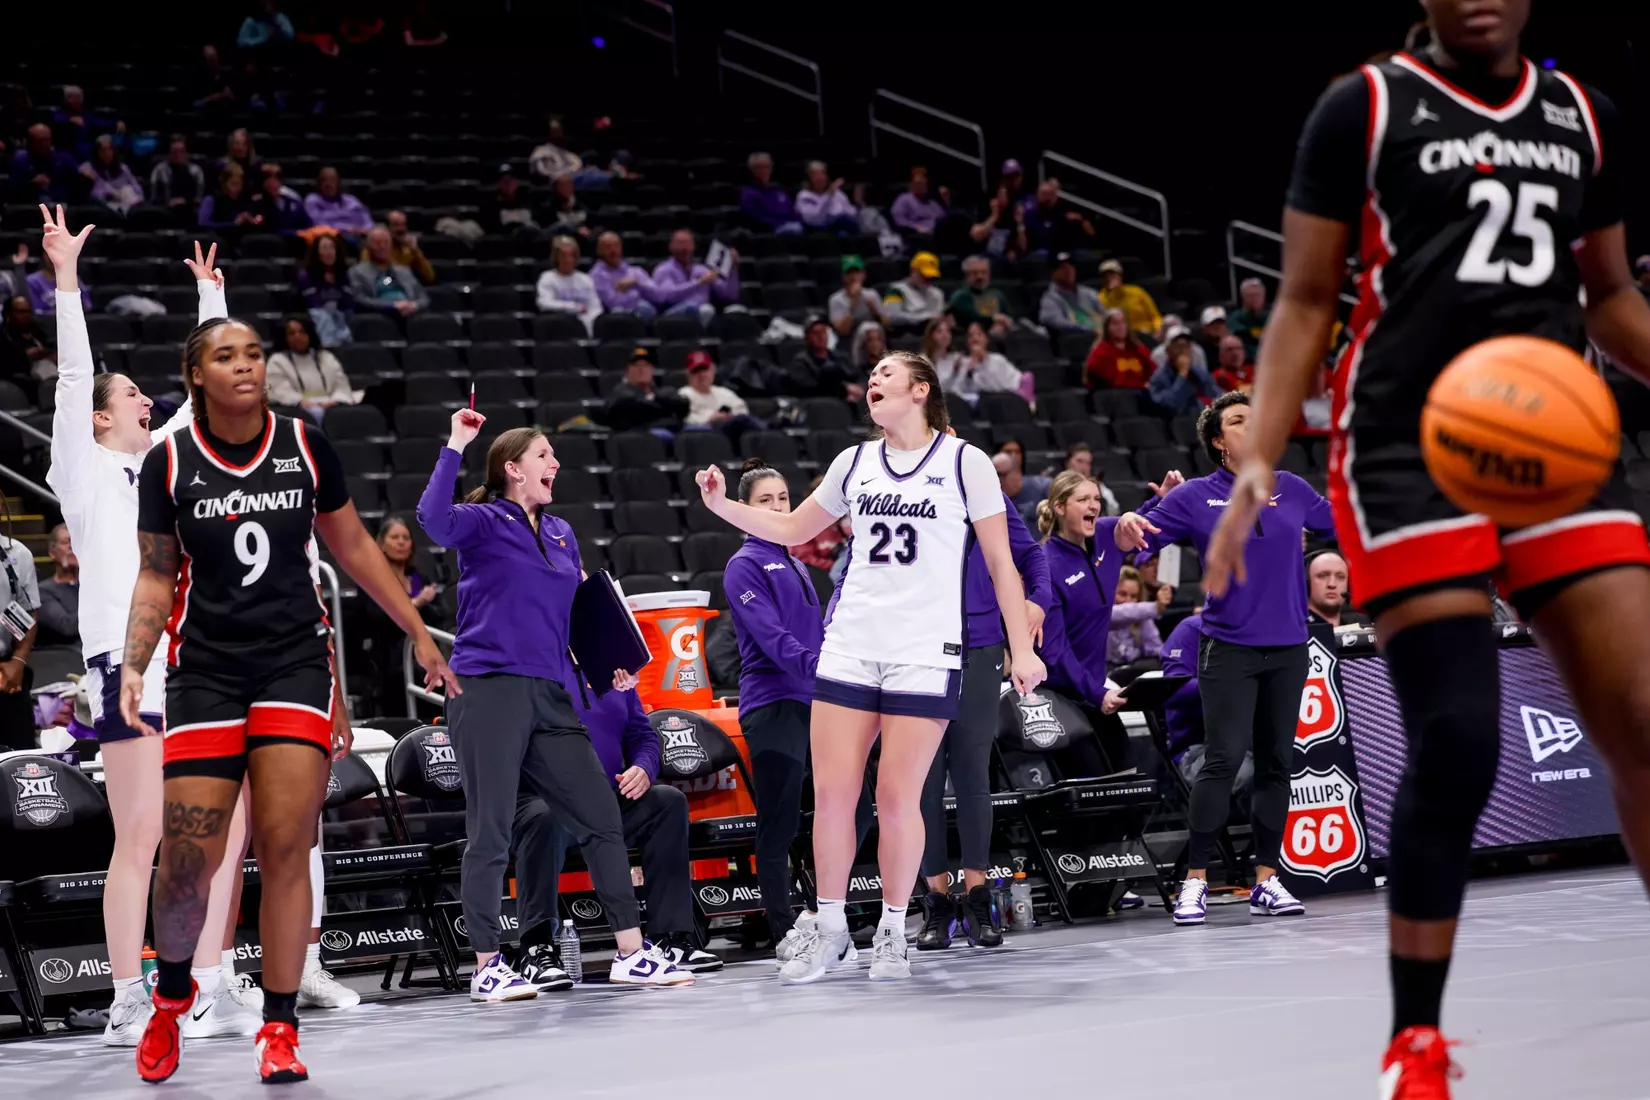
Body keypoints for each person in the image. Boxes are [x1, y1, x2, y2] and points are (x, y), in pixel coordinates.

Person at [1202, 11, 1650, 1088]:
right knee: (1456, 738)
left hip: (1554, 435)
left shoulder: (1581, 112)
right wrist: (1260, 450)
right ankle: (1417, 1042)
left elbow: (1611, 294)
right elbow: (1307, 297)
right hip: (1409, 443)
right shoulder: (1363, 105)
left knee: (1641, 717)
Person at [120, 260, 458, 1083]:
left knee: (283, 844)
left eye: (254, 351)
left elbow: (352, 549)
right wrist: (134, 665)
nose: (246, 363)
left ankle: (279, 1027)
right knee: (191, 861)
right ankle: (169, 998)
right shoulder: (170, 464)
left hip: (293, 664)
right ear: (196, 375)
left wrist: (416, 628)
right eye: (227, 354)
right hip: (204, 671)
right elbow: (158, 574)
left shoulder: (306, 443)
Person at [694, 351, 1045, 984]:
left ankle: (892, 929)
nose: (873, 381)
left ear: (920, 389)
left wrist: (1022, 648)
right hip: (851, 644)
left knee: (897, 795)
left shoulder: (965, 464)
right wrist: (722, 506)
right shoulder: (852, 463)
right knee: (832, 793)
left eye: (887, 373)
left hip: (924, 651)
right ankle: (831, 932)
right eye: (872, 376)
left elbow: (1001, 563)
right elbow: (796, 525)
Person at [418, 413, 694, 1001]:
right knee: (491, 830)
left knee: (600, 817)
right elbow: (432, 519)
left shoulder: (564, 533)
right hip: (486, 687)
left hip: (551, 691)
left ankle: (630, 951)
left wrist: (605, 666)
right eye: (546, 456)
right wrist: (456, 445)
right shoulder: (485, 522)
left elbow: (572, 619)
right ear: (514, 469)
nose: (557, 465)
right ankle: (488, 964)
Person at [1116, 391, 1333, 933]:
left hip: (1287, 647)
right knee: (1222, 761)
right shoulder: (1195, 496)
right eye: (1239, 420)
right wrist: (1150, 508)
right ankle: (1195, 881)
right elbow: (1137, 548)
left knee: (1278, 764)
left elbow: (1339, 525)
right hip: (1228, 648)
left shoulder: (1293, 489)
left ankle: (1266, 878)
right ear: (1219, 440)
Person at [915, 433, 1051, 951]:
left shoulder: (982, 489)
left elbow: (1031, 558)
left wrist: (1035, 604)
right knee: (925, 778)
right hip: (918, 646)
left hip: (979, 643)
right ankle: (936, 904)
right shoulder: (897, 492)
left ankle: (978, 900)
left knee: (970, 771)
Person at [512, 665, 724, 984]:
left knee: (666, 802)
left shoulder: (614, 673)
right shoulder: (532, 668)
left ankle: (671, 938)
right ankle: (536, 948)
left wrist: (643, 768)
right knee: (545, 818)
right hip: (544, 797)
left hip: (607, 795)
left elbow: (642, 736)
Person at [723, 461, 831, 954]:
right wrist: (820, 667)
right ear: (745, 509)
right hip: (772, 704)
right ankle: (783, 927)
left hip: (817, 702)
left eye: (784, 499)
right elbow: (771, 637)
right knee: (779, 821)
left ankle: (829, 915)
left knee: (853, 811)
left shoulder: (798, 563)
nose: (778, 508)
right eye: (766, 501)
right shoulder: (743, 564)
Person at [1035, 471, 1177, 714]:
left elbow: (1138, 524)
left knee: (1121, 752)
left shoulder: (1104, 533)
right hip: (1057, 693)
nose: (1093, 506)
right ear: (1059, 507)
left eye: (1097, 499)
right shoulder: (1046, 566)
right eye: (1083, 500)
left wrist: (1164, 500)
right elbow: (1055, 649)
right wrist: (1097, 693)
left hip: (1095, 687)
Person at [266, 314, 353, 416]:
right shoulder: (277, 361)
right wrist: (300, 401)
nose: (298, 336)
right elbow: (280, 390)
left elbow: (341, 385)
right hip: (298, 408)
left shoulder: (326, 357)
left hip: (331, 403)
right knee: (316, 413)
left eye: (302, 332)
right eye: (291, 333)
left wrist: (335, 400)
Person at [650, 229, 739, 324]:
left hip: (703, 317)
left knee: (737, 310)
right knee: (696, 308)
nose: (684, 248)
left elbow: (730, 295)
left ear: (693, 246)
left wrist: (733, 270)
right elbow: (666, 296)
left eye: (687, 243)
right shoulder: (663, 269)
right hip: (672, 318)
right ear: (671, 247)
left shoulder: (702, 270)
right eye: (680, 243)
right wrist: (698, 282)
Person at [349, 226, 429, 318]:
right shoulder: (357, 272)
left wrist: (414, 306)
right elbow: (360, 299)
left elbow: (423, 297)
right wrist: (392, 306)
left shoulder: (404, 271)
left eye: (386, 242)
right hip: (379, 319)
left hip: (410, 315)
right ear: (368, 246)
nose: (382, 246)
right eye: (377, 243)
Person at [1107, 565, 1169, 680]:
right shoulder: (1102, 615)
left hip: (1132, 677)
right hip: (1104, 676)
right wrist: (1156, 607)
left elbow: (1157, 650)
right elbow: (1118, 614)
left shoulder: (1142, 617)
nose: (1128, 601)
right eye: (1122, 594)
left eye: (1134, 596)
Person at [605, 347, 688, 432]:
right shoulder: (620, 392)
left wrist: (655, 399)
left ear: (652, 370)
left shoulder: (663, 392)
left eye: (646, 365)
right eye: (636, 365)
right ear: (627, 370)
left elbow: (683, 406)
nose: (642, 369)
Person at [936, 319, 1026, 398]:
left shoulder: (998, 360)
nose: (975, 338)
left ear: (986, 339)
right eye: (971, 335)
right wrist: (965, 373)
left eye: (979, 334)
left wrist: (984, 362)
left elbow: (1005, 387)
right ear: (967, 342)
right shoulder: (963, 363)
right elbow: (954, 392)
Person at [679, 349, 756, 440]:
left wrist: (728, 416)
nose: (702, 374)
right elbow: (686, 419)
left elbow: (742, 411)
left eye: (705, 369)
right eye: (696, 371)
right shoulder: (684, 394)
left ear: (713, 370)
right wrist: (710, 419)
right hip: (706, 435)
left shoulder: (724, 392)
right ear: (688, 375)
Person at [535, 235, 603, 335]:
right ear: (556, 257)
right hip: (559, 324)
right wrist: (572, 307)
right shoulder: (547, 277)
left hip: (586, 324)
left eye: (571, 255)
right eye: (563, 255)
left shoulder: (585, 279)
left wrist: (590, 319)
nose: (567, 260)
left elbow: (596, 307)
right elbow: (544, 303)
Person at [785, 316, 864, 401]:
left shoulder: (841, 357)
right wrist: (844, 390)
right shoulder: (799, 363)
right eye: (816, 333)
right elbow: (808, 390)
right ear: (806, 337)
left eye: (824, 331)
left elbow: (857, 376)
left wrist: (860, 388)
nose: (821, 336)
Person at [1147, 327, 1221, 417]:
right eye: (1179, 346)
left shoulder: (1201, 373)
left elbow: (1217, 395)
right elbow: (1170, 406)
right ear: (1168, 351)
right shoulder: (1159, 378)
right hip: (1179, 426)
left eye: (1187, 346)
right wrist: (1182, 375)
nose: (1183, 351)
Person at [1083, 309, 1155, 391]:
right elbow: (1102, 380)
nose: (1120, 326)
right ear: (1107, 328)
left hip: (1141, 393)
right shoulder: (1101, 352)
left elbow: (1153, 371)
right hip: (1115, 396)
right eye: (1115, 323)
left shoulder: (1138, 348)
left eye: (1123, 322)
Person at [1021, 178, 1095, 256]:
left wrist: (1080, 220)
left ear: (1055, 197)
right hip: (1038, 255)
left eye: (1049, 194)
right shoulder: (1030, 215)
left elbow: (1092, 234)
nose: (1046, 198)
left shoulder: (1064, 214)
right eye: (1043, 194)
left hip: (1061, 254)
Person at [7, 124, 80, 203]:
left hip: (61, 203)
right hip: (31, 205)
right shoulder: (20, 160)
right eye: (40, 141)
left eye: (47, 139)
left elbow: (76, 185)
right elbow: (13, 189)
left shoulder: (65, 158)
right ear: (30, 143)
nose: (45, 144)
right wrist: (31, 185)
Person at [36, 523, 79, 648]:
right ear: (52, 552)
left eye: (77, 542)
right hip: (65, 659)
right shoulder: (43, 591)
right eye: (66, 542)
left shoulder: (95, 587)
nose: (73, 547)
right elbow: (66, 626)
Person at [361, 209, 433, 284]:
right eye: (396, 225)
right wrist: (394, 278)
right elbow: (378, 283)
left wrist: (415, 251)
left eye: (403, 225)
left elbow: (429, 277)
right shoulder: (373, 250)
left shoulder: (409, 249)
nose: (401, 229)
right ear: (386, 229)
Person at [947, 255, 1015, 334]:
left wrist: (1002, 325)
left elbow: (1008, 317)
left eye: (984, 272)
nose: (980, 276)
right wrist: (994, 318)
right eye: (975, 273)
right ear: (966, 276)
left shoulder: (997, 295)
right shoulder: (960, 296)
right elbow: (972, 314)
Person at [0, 295, 51, 399]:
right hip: (23, 381)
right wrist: (25, 356)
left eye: (28, 311)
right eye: (20, 312)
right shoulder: (3, 337)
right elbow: (6, 367)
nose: (26, 315)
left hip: (48, 372)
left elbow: (50, 347)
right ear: (9, 314)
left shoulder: (37, 330)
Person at [1040, 252, 1105, 332]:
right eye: (1062, 267)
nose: (1068, 270)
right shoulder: (1050, 299)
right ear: (1053, 273)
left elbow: (1106, 315)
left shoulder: (1089, 293)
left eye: (1071, 266)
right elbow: (1055, 322)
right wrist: (1089, 328)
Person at [1305, 549, 1370, 628]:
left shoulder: (1364, 625)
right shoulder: (1294, 630)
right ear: (1307, 582)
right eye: (1322, 576)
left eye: (1340, 577)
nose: (1332, 584)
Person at [1097, 259, 1162, 338]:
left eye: (1112, 274)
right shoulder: (1100, 298)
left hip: (1146, 333)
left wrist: (1158, 329)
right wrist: (1113, 293)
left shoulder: (1137, 292)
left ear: (1120, 276)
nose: (1109, 278)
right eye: (1105, 276)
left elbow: (1155, 316)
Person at [882, 252, 945, 333]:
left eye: (931, 277)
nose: (927, 280)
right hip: (906, 335)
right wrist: (924, 317)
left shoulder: (937, 294)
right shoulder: (896, 290)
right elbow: (891, 317)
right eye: (924, 275)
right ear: (913, 270)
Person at [740, 152, 801, 234]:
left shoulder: (779, 190)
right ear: (752, 170)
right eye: (759, 167)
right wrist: (779, 225)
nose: (763, 171)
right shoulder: (749, 194)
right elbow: (757, 220)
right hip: (769, 236)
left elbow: (792, 212)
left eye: (766, 167)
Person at [80, 135, 144, 215]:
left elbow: (136, 188)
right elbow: (93, 194)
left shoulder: (123, 168)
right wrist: (109, 194)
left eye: (109, 149)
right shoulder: (88, 168)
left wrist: (135, 197)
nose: (107, 153)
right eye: (103, 150)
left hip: (128, 203)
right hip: (104, 207)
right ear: (97, 152)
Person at [303, 167, 374, 236]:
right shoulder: (313, 200)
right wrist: (346, 228)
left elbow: (367, 220)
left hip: (359, 235)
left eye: (332, 180)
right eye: (325, 180)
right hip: (331, 238)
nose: (329, 184)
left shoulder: (351, 200)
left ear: (338, 182)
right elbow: (317, 224)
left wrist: (367, 229)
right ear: (319, 183)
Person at [828, 254, 885, 337]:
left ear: (864, 275)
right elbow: (842, 331)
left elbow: (887, 325)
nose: (853, 277)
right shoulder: (835, 299)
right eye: (849, 273)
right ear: (843, 276)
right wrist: (854, 301)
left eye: (857, 272)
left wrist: (875, 311)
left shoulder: (871, 294)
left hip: (872, 338)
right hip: (849, 340)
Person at [795, 160, 858, 234]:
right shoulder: (804, 196)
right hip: (815, 230)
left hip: (838, 228)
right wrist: (829, 195)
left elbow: (850, 212)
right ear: (809, 178)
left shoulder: (837, 194)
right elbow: (815, 220)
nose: (820, 178)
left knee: (843, 231)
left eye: (822, 173)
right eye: (816, 175)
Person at [198, 163, 261, 236]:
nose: (238, 188)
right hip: (219, 238)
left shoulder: (243, 198)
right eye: (233, 183)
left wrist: (251, 220)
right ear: (224, 183)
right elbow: (203, 223)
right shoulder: (212, 199)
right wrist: (232, 224)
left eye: (240, 183)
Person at [149, 135, 207, 215]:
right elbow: (154, 197)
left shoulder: (196, 171)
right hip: (164, 211)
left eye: (181, 151)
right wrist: (168, 202)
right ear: (170, 152)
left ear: (186, 152)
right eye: (175, 152)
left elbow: (200, 198)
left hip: (190, 211)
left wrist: (185, 201)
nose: (178, 155)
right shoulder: (159, 170)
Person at [251, 165, 311, 236]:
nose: (272, 182)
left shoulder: (293, 201)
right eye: (268, 178)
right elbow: (263, 228)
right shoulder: (257, 203)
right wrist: (295, 233)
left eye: (276, 178)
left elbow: (307, 225)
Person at [993, 451, 1051, 524]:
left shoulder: (1043, 487)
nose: (998, 480)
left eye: (1001, 475)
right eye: (993, 476)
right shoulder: (991, 500)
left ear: (1017, 472)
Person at [891, 167, 948, 235]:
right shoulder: (904, 199)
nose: (921, 186)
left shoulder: (932, 203)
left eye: (924, 184)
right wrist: (917, 228)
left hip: (937, 235)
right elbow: (900, 220)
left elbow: (944, 219)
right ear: (912, 184)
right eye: (918, 183)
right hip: (918, 236)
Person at [1228, 277, 1270, 358]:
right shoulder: (1235, 319)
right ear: (1243, 298)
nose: (1254, 299)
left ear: (1263, 297)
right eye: (1250, 295)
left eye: (1258, 295)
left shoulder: (1271, 318)